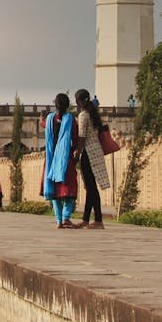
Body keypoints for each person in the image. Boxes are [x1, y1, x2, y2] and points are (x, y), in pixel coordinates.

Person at [74, 88, 110, 229]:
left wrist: (77, 151)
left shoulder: (83, 115)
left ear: (79, 101)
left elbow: (82, 137)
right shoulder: (93, 114)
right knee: (90, 187)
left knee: (91, 187)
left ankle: (99, 220)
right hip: (96, 151)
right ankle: (86, 219)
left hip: (88, 153)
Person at [43, 93, 80, 228]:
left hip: (51, 158)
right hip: (66, 158)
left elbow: (45, 127)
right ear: (68, 104)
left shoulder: (49, 119)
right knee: (70, 189)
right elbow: (75, 138)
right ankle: (65, 217)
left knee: (55, 190)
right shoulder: (70, 119)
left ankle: (58, 220)